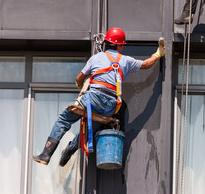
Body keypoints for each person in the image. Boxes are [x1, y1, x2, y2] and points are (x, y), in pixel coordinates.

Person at [32, 27, 165, 166]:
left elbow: (79, 78)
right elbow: (146, 64)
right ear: (119, 45)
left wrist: (79, 84)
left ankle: (46, 154)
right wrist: (158, 54)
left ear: (106, 43)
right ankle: (70, 150)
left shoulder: (95, 58)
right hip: (111, 107)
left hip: (93, 100)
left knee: (64, 119)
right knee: (87, 131)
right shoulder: (125, 60)